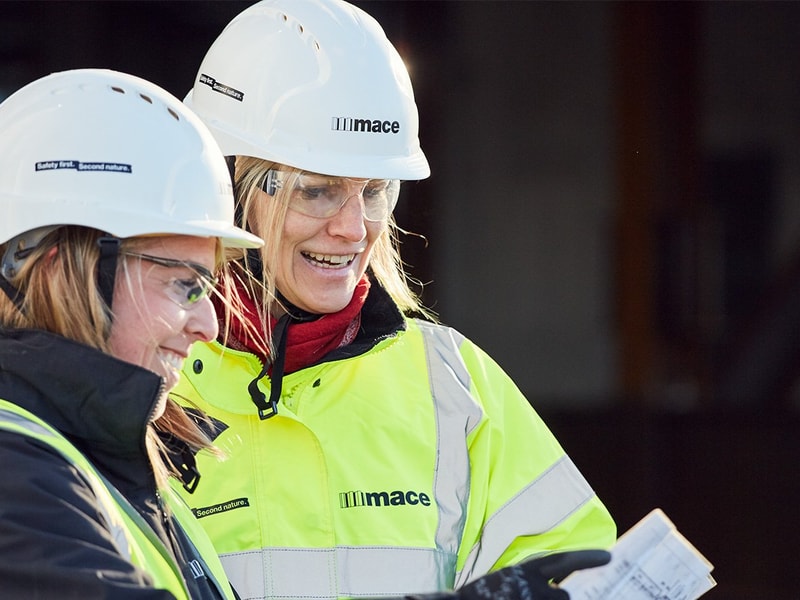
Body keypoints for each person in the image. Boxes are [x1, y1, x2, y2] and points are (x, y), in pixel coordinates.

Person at [171, 1, 618, 598]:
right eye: (319, 192)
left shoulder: (452, 386)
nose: (354, 229)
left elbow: (578, 573)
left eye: (376, 191)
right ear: (230, 191)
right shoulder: (148, 387)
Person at [0, 68, 263, 599]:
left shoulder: (106, 465)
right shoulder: (14, 477)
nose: (209, 325)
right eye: (184, 285)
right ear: (62, 271)